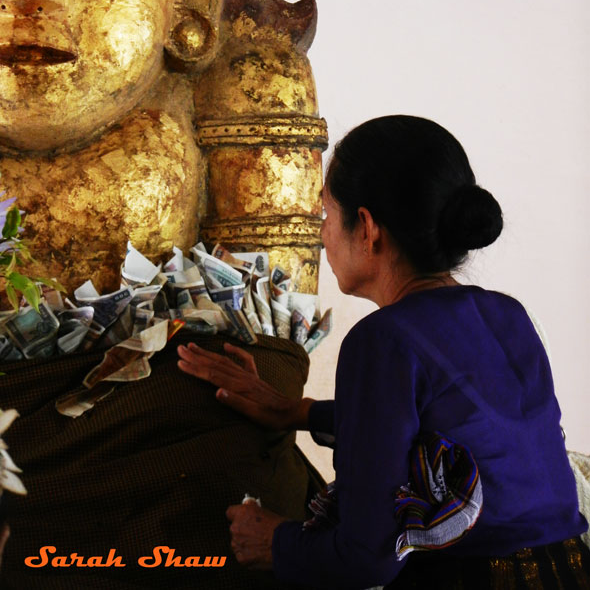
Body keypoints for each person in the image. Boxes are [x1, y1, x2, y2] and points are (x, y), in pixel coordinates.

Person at [177, 115, 590, 589]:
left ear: (368, 227)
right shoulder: (508, 315)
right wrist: (298, 411)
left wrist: (274, 541)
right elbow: (451, 423)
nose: (322, 235)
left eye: (327, 215)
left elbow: (368, 557)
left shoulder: (383, 339)